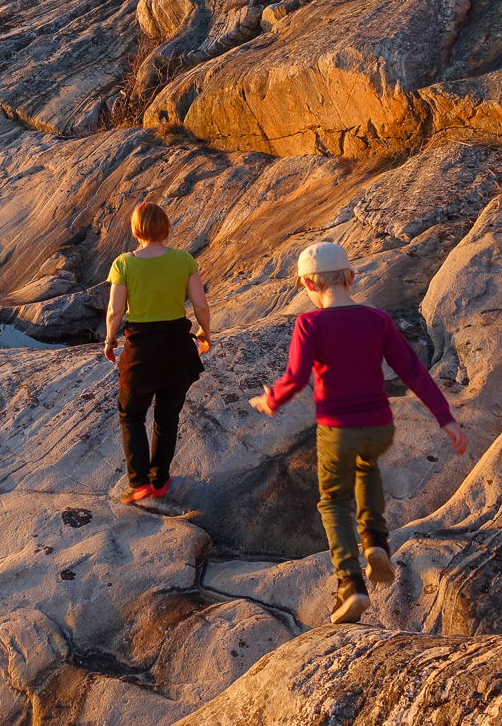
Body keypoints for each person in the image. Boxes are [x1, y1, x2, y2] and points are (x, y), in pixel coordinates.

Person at [249, 241, 467, 625]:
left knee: (333, 502)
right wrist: (444, 416)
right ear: (351, 277)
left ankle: (351, 583)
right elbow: (412, 370)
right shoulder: (377, 319)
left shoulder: (309, 323)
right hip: (379, 425)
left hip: (338, 428)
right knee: (368, 469)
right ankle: (376, 541)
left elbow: (297, 376)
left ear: (306, 286)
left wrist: (272, 401)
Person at [104, 201, 211, 505]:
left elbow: (115, 311)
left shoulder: (124, 263)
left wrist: (110, 341)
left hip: (141, 352)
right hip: (178, 350)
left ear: (136, 229)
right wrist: (205, 333)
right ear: (165, 227)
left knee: (131, 414)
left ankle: (139, 483)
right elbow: (201, 305)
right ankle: (159, 482)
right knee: (167, 418)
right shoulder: (184, 260)